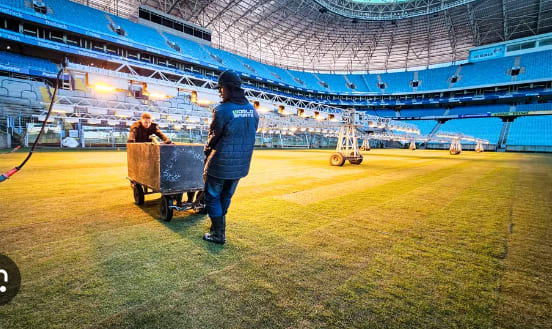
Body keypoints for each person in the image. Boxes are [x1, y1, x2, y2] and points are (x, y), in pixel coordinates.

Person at [202, 70, 259, 244]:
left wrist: (207, 149)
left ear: (227, 88)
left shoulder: (222, 109)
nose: (220, 92)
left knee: (212, 196)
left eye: (221, 88)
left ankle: (218, 234)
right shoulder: (253, 111)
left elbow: (214, 135)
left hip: (221, 163)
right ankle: (216, 228)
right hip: (241, 164)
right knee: (226, 196)